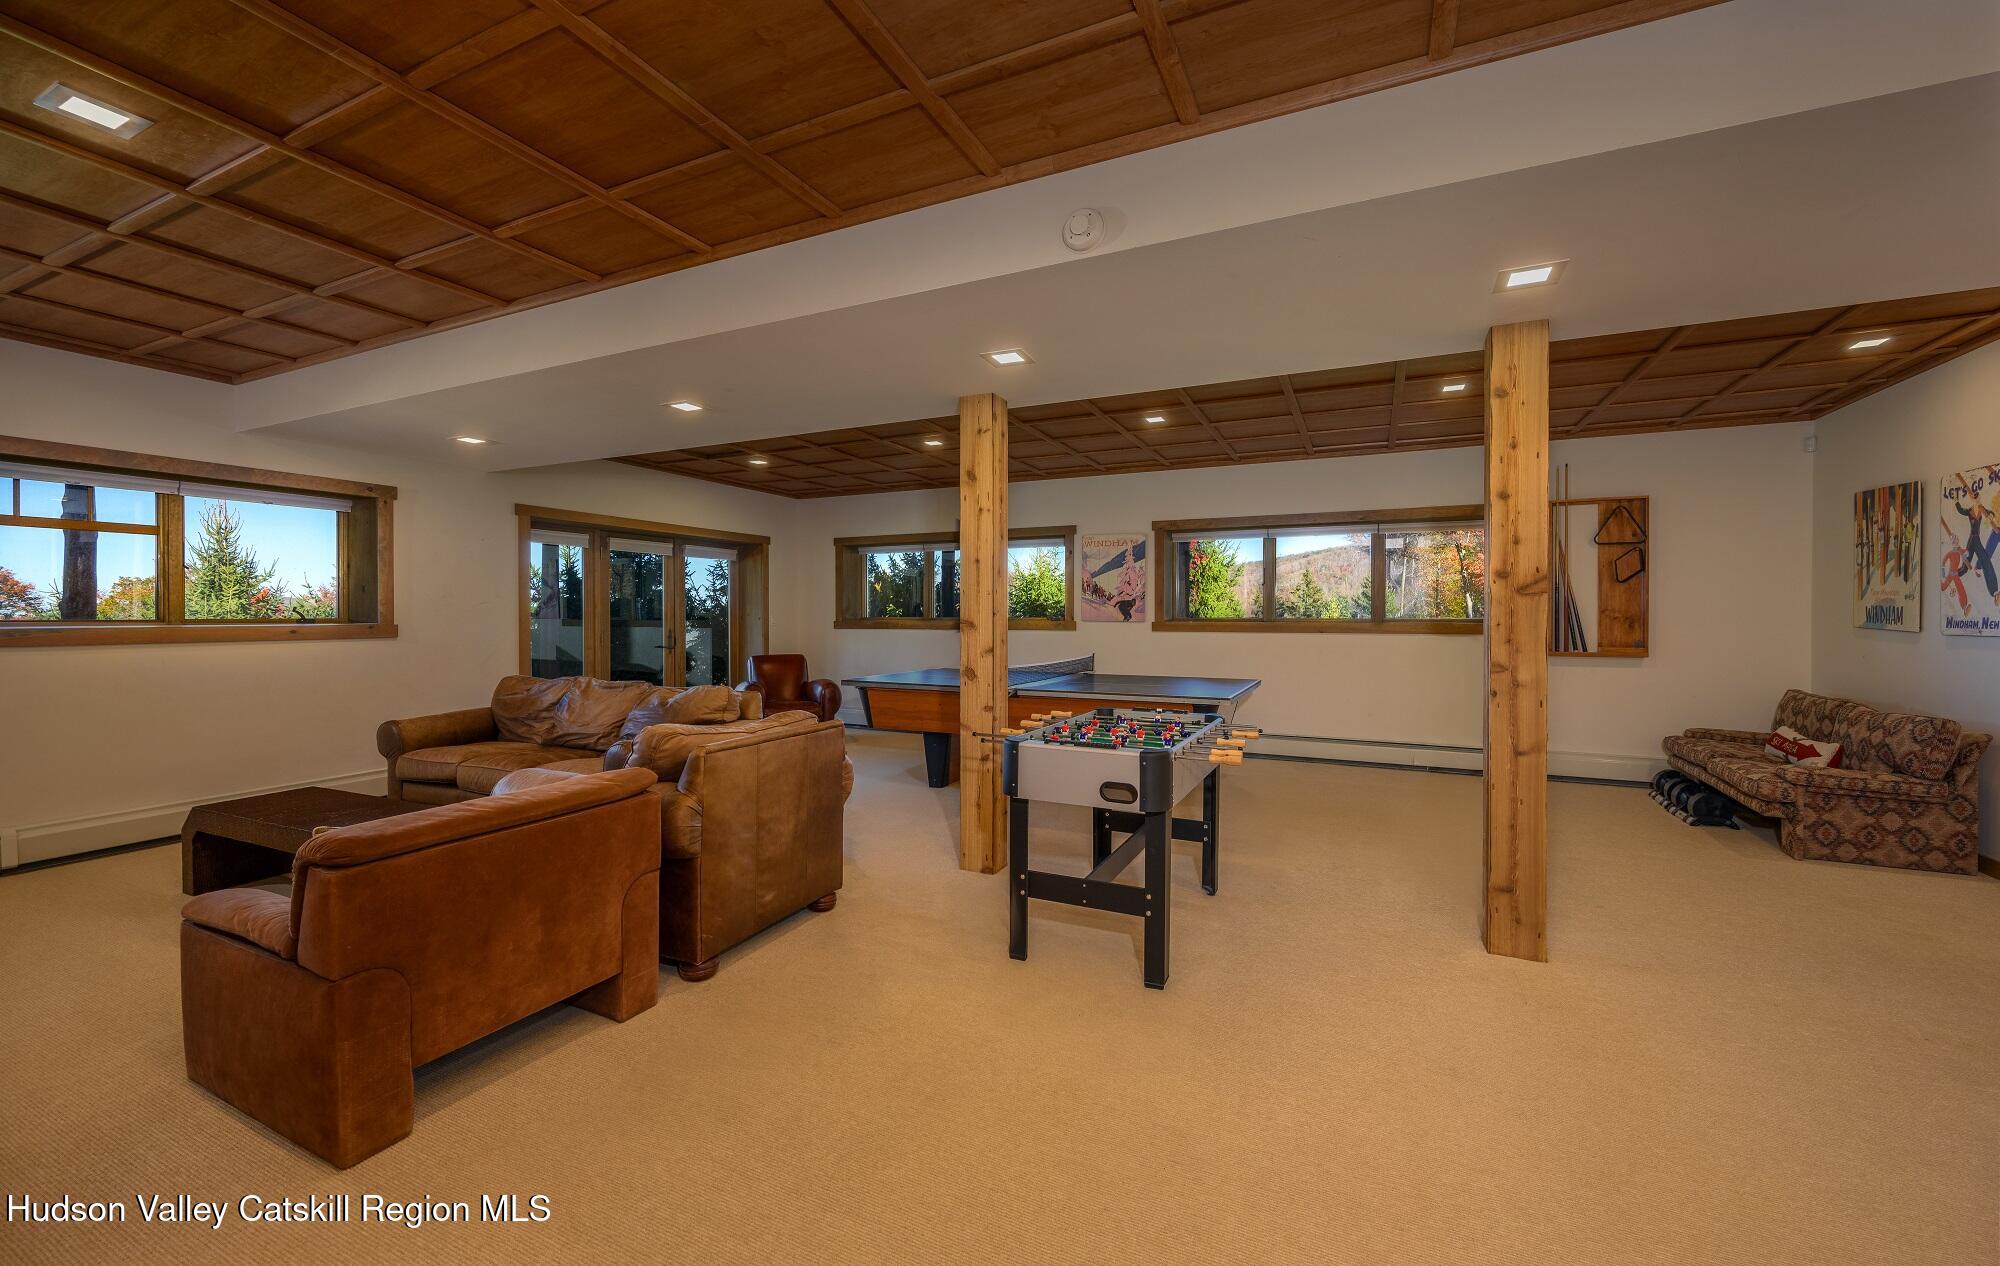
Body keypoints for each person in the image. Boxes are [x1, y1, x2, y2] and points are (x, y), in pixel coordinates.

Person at [1950, 474, 1998, 607]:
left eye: (1978, 498)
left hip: (1977, 540)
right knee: (1965, 567)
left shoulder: (1982, 509)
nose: (1977, 500)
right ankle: (1953, 576)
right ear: (1973, 499)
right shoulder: (1969, 511)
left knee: (1986, 561)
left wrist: (1990, 517)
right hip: (1972, 540)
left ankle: (1994, 592)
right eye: (1975, 498)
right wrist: (1956, 500)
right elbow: (1960, 510)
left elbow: (1991, 514)